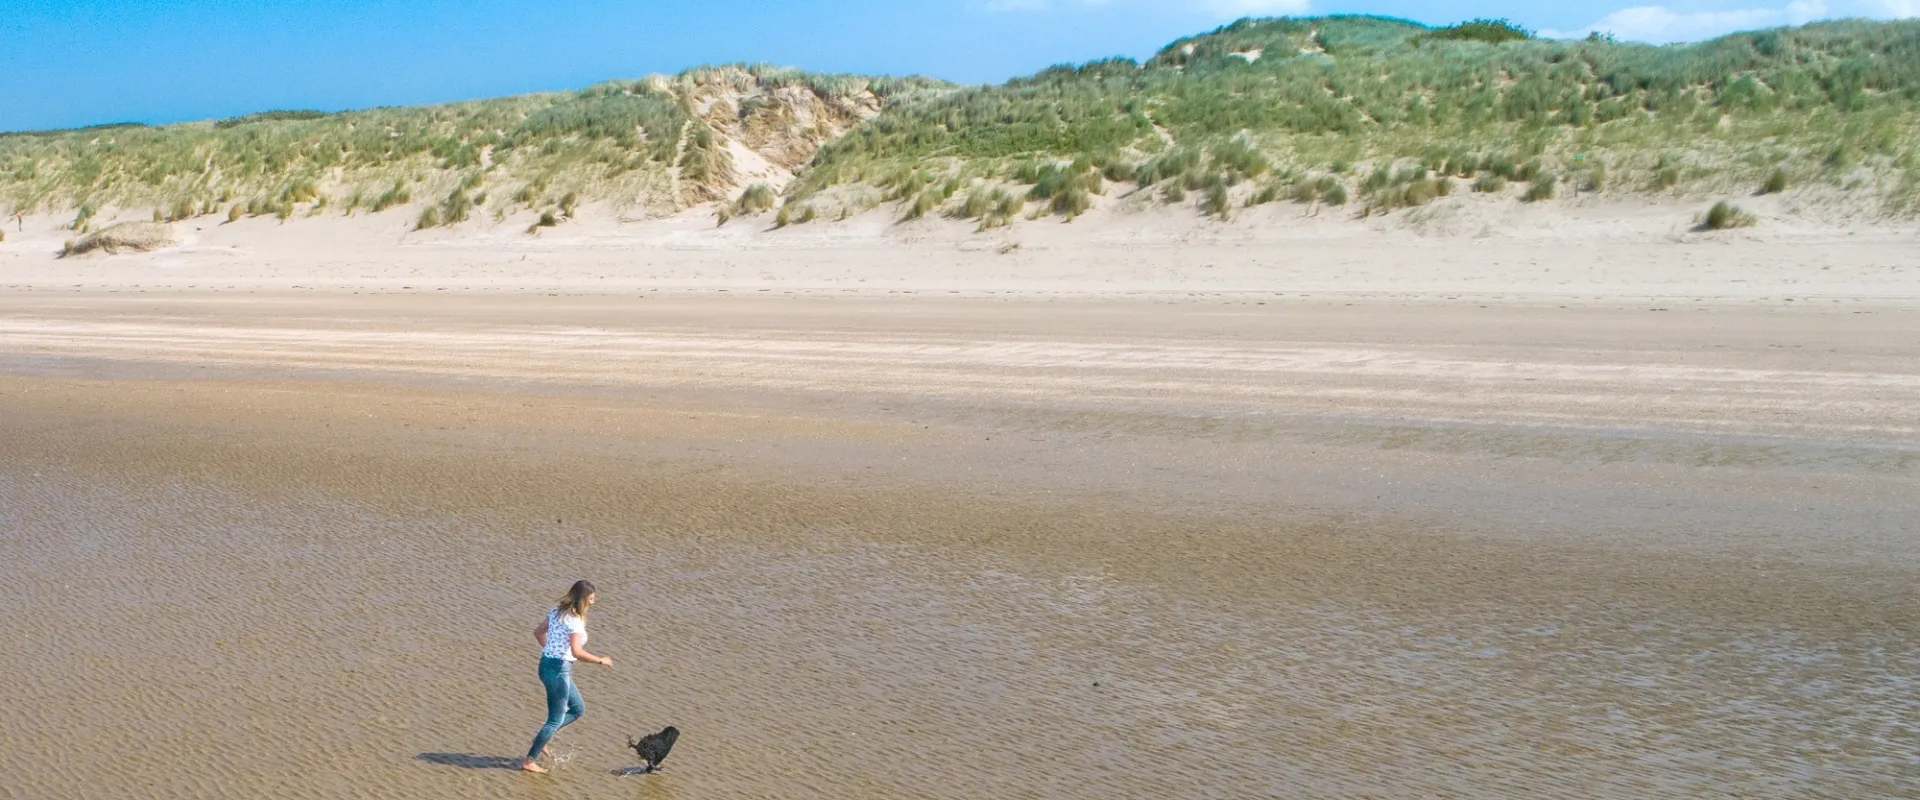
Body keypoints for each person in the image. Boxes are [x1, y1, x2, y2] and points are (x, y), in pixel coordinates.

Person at [522, 580, 612, 773]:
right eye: (591, 598)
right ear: (583, 599)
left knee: (578, 709)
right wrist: (600, 660)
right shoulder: (576, 622)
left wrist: (552, 651)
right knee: (555, 719)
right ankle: (530, 760)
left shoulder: (556, 612)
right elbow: (577, 652)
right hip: (558, 671)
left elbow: (538, 633)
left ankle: (541, 738)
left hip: (546, 664)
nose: (594, 602)